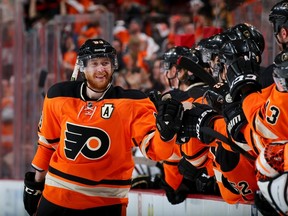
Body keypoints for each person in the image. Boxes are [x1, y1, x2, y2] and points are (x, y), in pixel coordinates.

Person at [23, 38, 184, 216]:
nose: (101, 69)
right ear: (82, 67)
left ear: (113, 65)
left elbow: (157, 152)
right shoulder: (58, 96)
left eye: (105, 63)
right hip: (56, 197)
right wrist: (36, 184)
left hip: (105, 204)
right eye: (95, 63)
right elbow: (47, 144)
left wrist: (166, 135)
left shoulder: (132, 102)